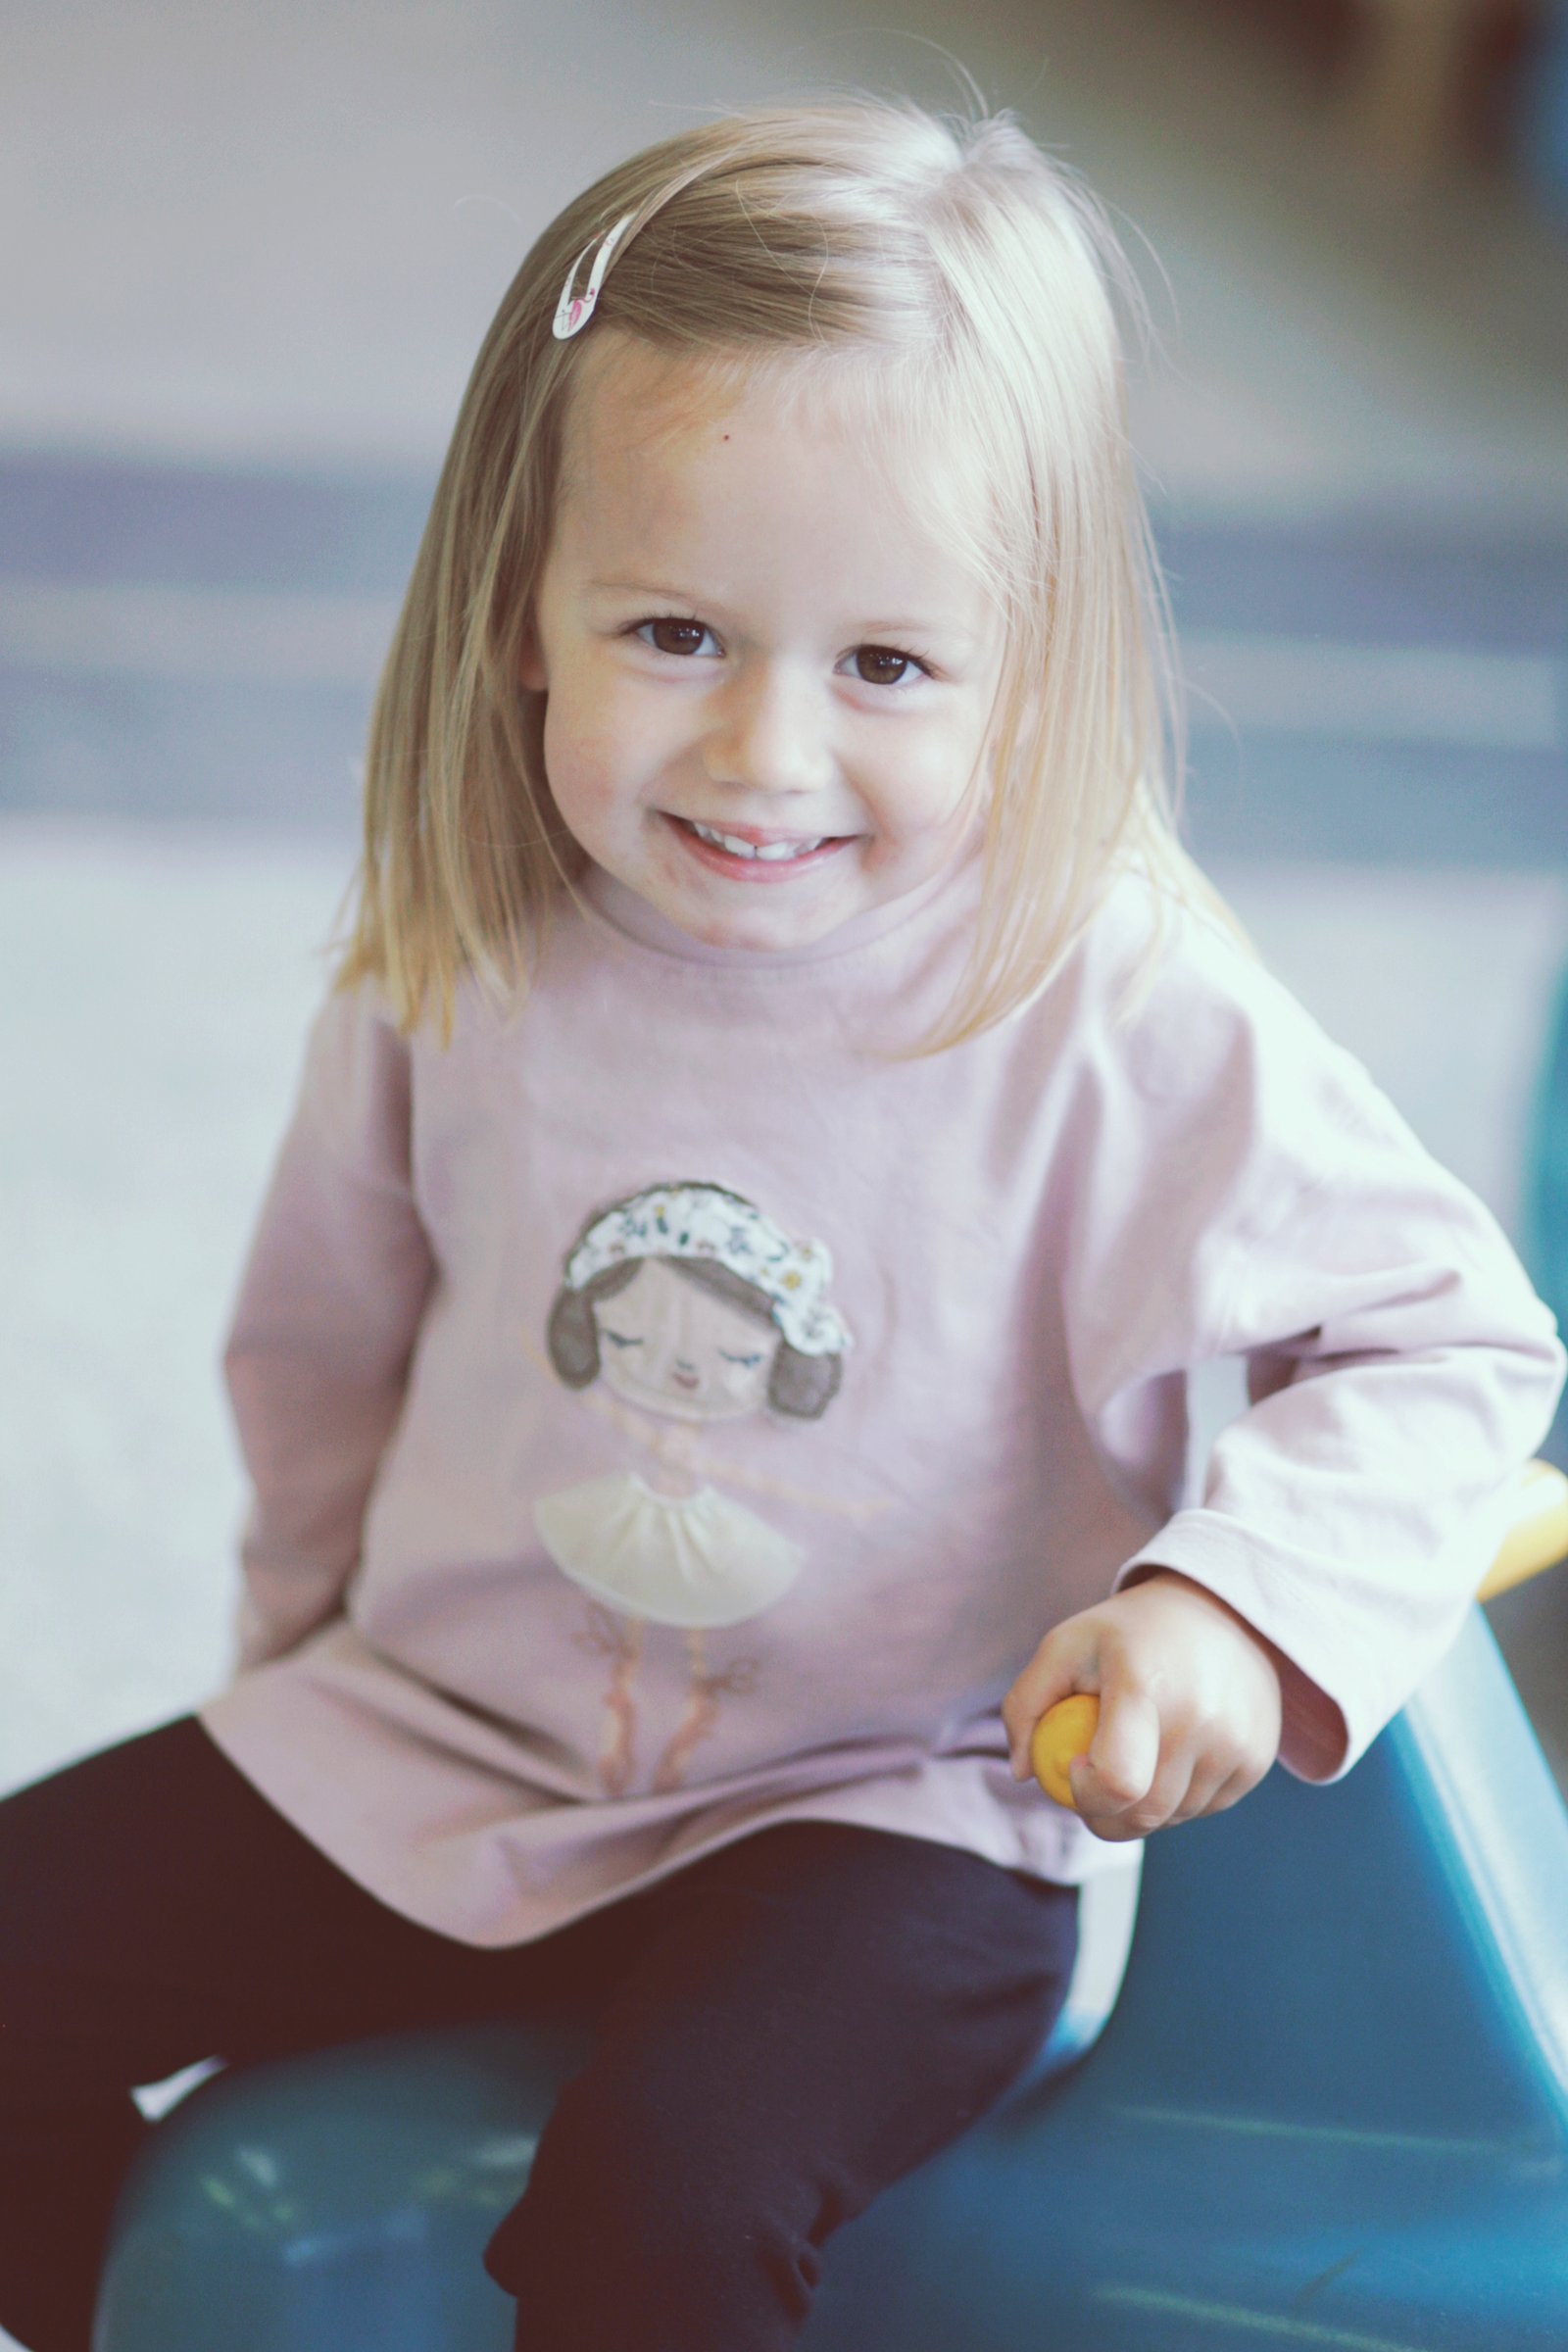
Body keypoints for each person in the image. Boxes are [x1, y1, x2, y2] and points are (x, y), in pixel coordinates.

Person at [1, 98, 1561, 2352]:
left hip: (888, 1821)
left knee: (663, 2211)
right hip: (449, 1742)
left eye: (885, 667)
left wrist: (1226, 1609)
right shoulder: (464, 947)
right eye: (672, 630)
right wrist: (286, 1688)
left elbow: (1451, 1341)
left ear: (1028, 662)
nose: (761, 753)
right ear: (519, 616)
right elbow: (318, 1352)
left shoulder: (1108, 997)